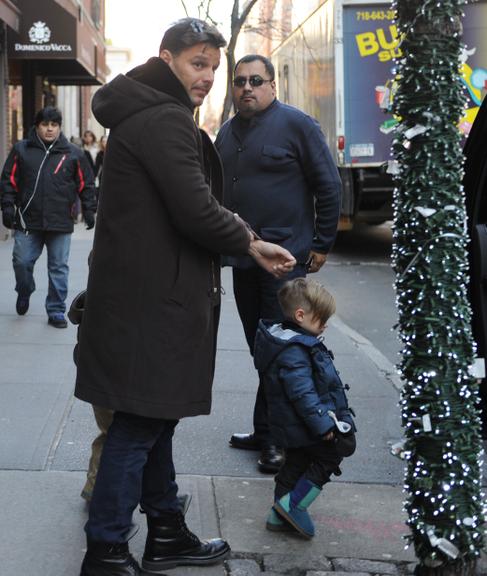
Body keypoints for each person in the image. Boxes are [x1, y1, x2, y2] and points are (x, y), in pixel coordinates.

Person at [74, 18, 296, 576]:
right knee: (139, 423)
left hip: (143, 295)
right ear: (166, 57)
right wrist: (252, 241)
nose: (207, 77)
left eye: (213, 68)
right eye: (198, 63)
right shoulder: (163, 121)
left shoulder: (147, 115)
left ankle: (166, 531)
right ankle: (105, 549)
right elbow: (195, 210)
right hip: (154, 302)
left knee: (154, 416)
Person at [215, 54, 342, 474]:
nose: (246, 88)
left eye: (256, 80)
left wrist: (322, 243)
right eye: (239, 81)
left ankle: (278, 442)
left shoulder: (298, 125)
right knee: (261, 349)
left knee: (283, 352)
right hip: (244, 262)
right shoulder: (227, 133)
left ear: (272, 85)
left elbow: (328, 185)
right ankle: (263, 428)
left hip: (286, 265)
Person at [253, 278, 356, 539]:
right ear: (301, 315)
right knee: (330, 456)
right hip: (304, 423)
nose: (325, 325)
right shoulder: (295, 350)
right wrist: (324, 426)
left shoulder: (283, 340)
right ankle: (294, 505)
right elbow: (303, 394)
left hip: (289, 423)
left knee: (295, 463)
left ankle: (278, 516)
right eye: (321, 319)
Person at [0, 106, 96, 328]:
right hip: (27, 221)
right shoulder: (21, 150)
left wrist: (89, 210)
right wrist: (7, 206)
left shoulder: (73, 153)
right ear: (37, 126)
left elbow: (86, 183)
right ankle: (24, 291)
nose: (50, 129)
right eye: (45, 124)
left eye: (54, 125)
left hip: (60, 221)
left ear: (59, 127)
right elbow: (8, 180)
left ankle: (55, 310)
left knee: (58, 268)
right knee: (21, 262)